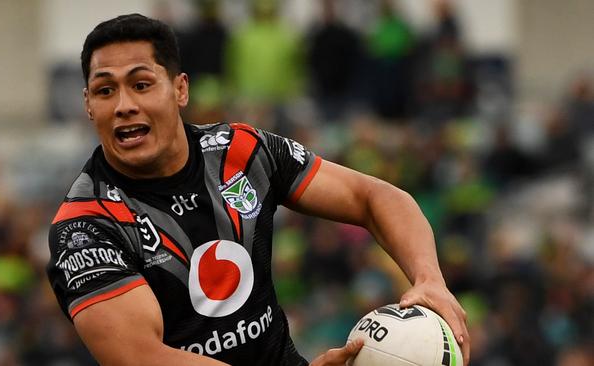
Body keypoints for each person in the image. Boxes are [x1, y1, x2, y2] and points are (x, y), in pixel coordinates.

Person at [46, 13, 470, 366]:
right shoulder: (84, 225)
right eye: (105, 91)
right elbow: (141, 358)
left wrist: (429, 279)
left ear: (180, 89)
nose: (124, 105)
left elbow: (376, 198)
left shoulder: (242, 152)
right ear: (87, 104)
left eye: (141, 84)